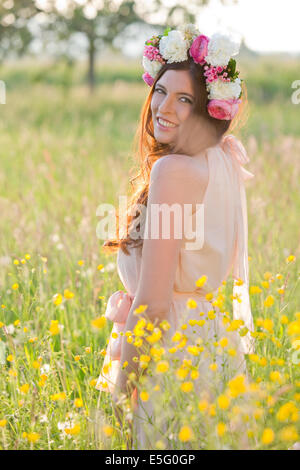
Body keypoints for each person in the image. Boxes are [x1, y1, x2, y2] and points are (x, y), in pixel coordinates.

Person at [96, 24, 256, 450]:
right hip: (210, 345)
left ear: (208, 109)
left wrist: (121, 391)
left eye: (184, 99)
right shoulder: (220, 160)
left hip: (169, 352)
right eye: (161, 91)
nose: (163, 107)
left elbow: (154, 302)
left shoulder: (173, 171)